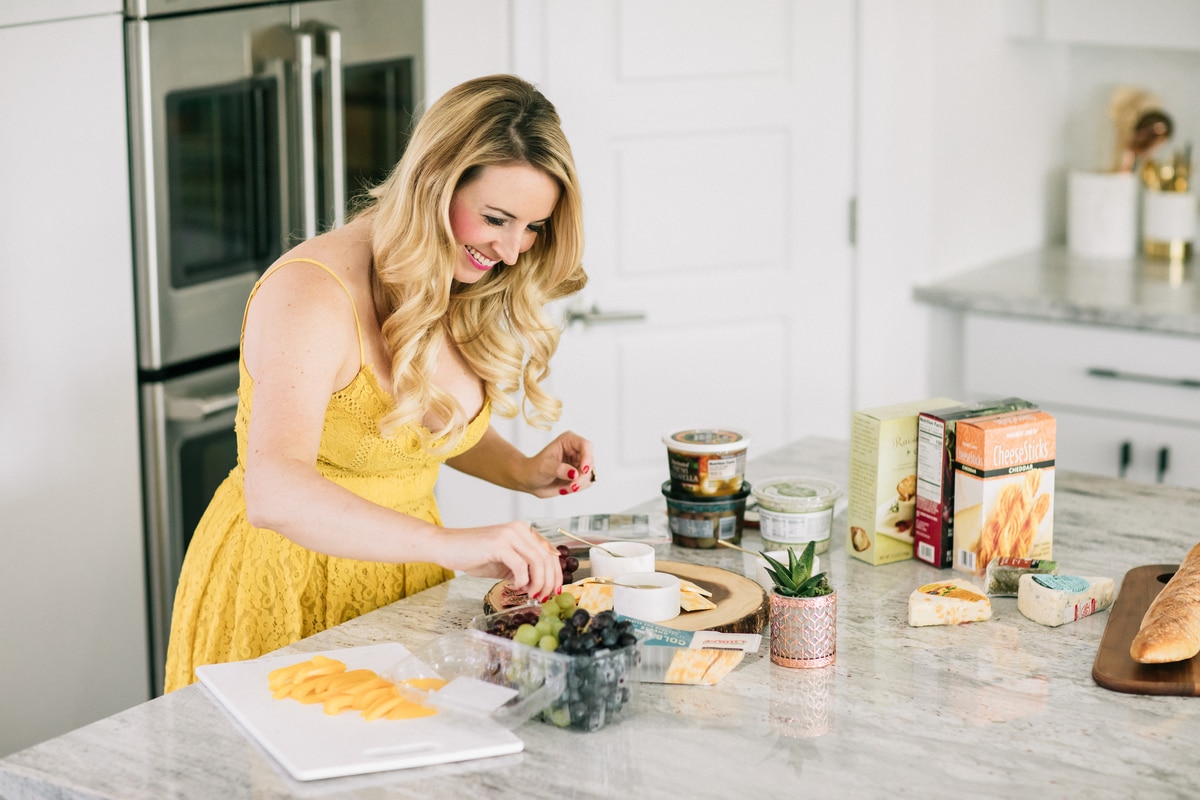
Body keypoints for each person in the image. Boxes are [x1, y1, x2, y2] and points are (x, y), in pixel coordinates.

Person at [164, 74, 594, 692]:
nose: (509, 250)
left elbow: (404, 425)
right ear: (432, 182)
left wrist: (522, 469)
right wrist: (450, 544)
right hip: (289, 592)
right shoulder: (312, 293)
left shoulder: (450, 273)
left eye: (532, 228)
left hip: (403, 589)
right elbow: (275, 494)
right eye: (496, 219)